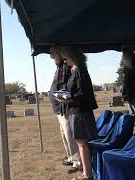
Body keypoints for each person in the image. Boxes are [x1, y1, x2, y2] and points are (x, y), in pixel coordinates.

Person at [57, 46, 98, 180]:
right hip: (76, 111)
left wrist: (69, 99)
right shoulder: (75, 71)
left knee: (82, 143)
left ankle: (87, 175)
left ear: (72, 57)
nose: (64, 61)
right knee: (81, 144)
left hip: (79, 112)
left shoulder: (80, 70)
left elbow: (83, 94)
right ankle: (86, 173)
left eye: (65, 58)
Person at [49, 46, 81, 174]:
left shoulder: (65, 65)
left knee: (69, 132)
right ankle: (70, 157)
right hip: (58, 106)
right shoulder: (59, 67)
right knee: (64, 133)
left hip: (65, 105)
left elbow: (67, 85)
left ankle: (78, 162)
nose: (51, 55)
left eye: (53, 52)